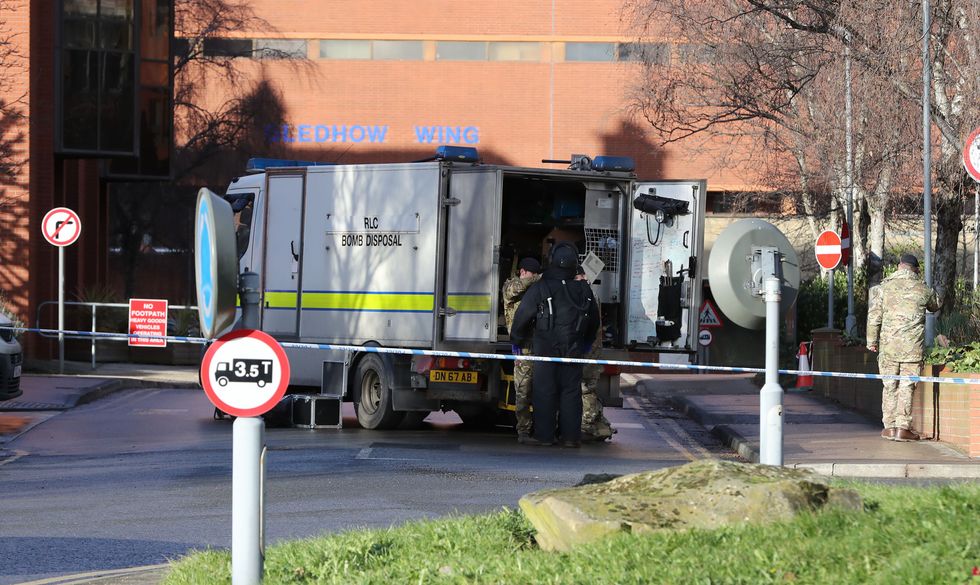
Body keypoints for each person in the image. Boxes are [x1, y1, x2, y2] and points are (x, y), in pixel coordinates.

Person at [510, 242, 599, 447]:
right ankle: (570, 438)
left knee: (544, 391)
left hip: (546, 349)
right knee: (571, 392)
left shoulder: (541, 287)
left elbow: (523, 315)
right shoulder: (584, 290)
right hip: (574, 349)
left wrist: (516, 340)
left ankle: (544, 436)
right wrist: (586, 343)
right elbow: (594, 321)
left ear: (551, 261)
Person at [866, 253, 940, 442]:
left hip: (888, 348)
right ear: (916, 269)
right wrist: (938, 290)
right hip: (912, 349)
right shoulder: (922, 288)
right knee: (907, 386)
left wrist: (871, 341)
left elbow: (874, 317)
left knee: (889, 385)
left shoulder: (883, 288)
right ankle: (902, 428)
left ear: (899, 266)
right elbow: (935, 306)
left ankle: (889, 427)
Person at [501, 257, 542, 443]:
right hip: (522, 349)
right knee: (523, 392)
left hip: (538, 347)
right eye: (532, 274)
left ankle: (540, 429)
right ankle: (524, 431)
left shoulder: (534, 289)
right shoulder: (511, 286)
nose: (533, 277)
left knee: (540, 391)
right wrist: (540, 277)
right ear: (523, 272)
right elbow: (519, 286)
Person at [575, 267, 615, 442]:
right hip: (591, 350)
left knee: (586, 388)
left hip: (589, 351)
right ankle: (596, 423)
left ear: (583, 276)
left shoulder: (587, 295)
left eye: (577, 277)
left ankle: (587, 425)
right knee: (588, 388)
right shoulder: (591, 293)